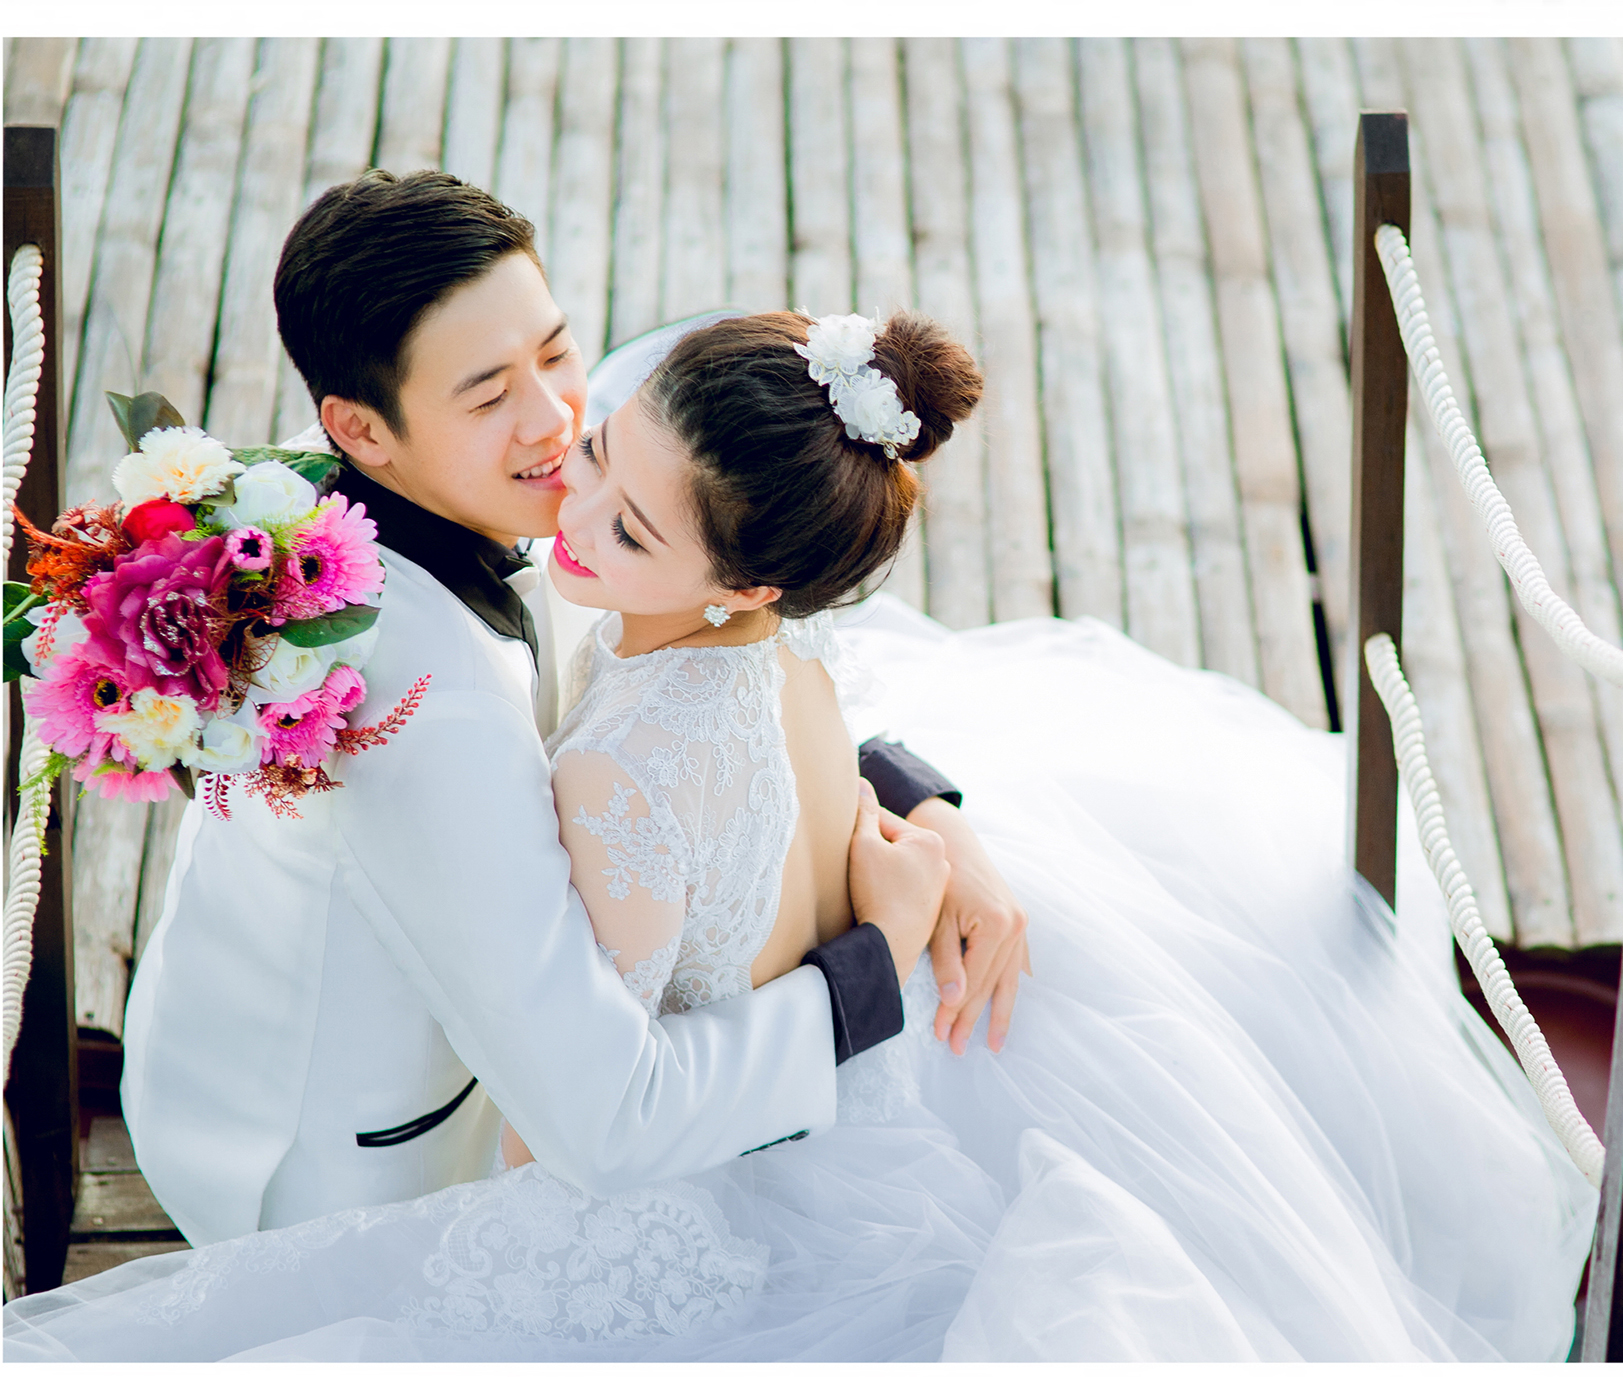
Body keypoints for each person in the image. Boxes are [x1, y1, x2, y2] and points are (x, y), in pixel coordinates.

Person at [4, 296, 1595, 1360]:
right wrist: (926, 829)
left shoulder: (614, 774)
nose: (572, 511)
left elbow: (573, 1126)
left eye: (628, 525)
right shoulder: (754, 607)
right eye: (595, 456)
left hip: (744, 1138)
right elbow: (813, 709)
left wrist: (888, 927)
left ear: (744, 583)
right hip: (847, 1065)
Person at [99, 170, 1023, 1252]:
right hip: (341, 1171)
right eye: (489, 394)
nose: (553, 421)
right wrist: (879, 958)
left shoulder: (529, 478)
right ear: (362, 430)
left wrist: (923, 811)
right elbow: (610, 1119)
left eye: (555, 351)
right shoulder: (415, 720)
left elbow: (710, 640)